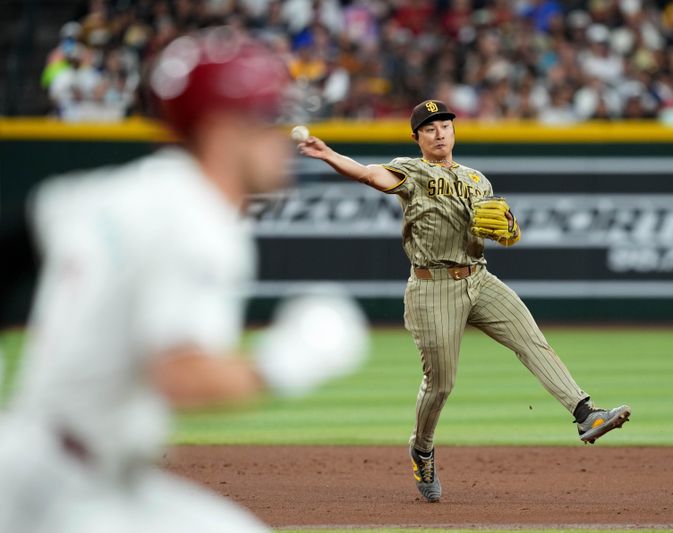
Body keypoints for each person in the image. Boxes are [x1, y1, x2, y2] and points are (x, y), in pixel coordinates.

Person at [0, 27, 366, 533]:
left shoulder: (133, 186)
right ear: (219, 130)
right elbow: (181, 376)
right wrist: (290, 359)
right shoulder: (197, 220)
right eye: (267, 119)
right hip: (62, 494)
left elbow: (19, 235)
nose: (283, 137)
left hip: (52, 463)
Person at [297, 99, 630, 503]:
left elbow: (502, 230)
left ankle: (585, 414)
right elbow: (370, 175)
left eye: (445, 125)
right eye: (430, 127)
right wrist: (329, 154)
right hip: (432, 285)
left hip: (479, 277)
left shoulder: (477, 180)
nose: (440, 132)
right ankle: (422, 448)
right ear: (418, 137)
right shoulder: (413, 171)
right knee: (440, 384)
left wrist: (507, 228)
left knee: (531, 340)